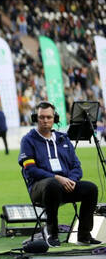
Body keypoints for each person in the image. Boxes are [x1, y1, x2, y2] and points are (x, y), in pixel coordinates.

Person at [18, 101, 101, 247]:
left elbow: (77, 166)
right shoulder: (28, 140)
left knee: (91, 189)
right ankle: (52, 233)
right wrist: (58, 178)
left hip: (65, 185)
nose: (45, 120)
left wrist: (71, 180)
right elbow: (30, 169)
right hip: (40, 188)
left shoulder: (64, 139)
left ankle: (84, 235)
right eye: (41, 117)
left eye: (49, 117)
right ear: (35, 118)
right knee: (53, 184)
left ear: (54, 119)